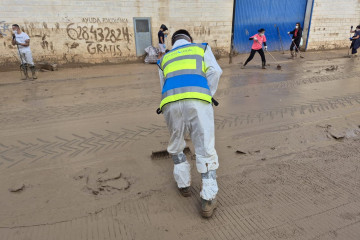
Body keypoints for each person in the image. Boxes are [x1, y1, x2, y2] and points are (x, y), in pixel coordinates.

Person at [157, 29, 222, 218]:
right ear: (189, 40)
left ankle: (184, 185)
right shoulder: (200, 48)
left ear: (173, 42)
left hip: (170, 104)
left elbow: (164, 85)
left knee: (176, 144)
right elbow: (215, 71)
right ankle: (208, 200)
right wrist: (206, 94)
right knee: (204, 146)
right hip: (197, 102)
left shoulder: (164, 59)